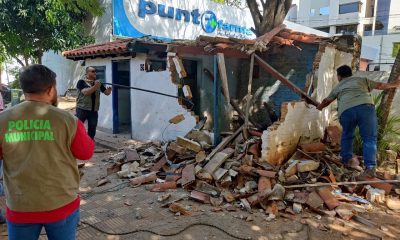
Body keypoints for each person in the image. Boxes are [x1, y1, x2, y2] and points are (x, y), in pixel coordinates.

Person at [0, 64, 95, 240]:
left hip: (21, 206)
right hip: (61, 204)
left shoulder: (3, 120)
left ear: (24, 88)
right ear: (51, 89)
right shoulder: (68, 120)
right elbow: (86, 152)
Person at [317, 65, 400, 177]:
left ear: (339, 76)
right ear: (351, 74)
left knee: (347, 134)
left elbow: (327, 100)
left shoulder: (339, 86)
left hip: (346, 111)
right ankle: (370, 167)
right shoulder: (362, 80)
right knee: (369, 138)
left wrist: (319, 107)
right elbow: (381, 85)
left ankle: (346, 160)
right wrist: (395, 83)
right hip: (366, 109)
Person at [76, 67, 112, 139]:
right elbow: (86, 92)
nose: (95, 73)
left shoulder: (97, 83)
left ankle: (89, 144)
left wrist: (109, 90)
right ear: (87, 73)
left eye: (95, 71)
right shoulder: (81, 82)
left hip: (94, 110)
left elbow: (106, 93)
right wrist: (95, 86)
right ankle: (75, 143)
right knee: (77, 128)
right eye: (93, 71)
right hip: (82, 109)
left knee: (92, 129)